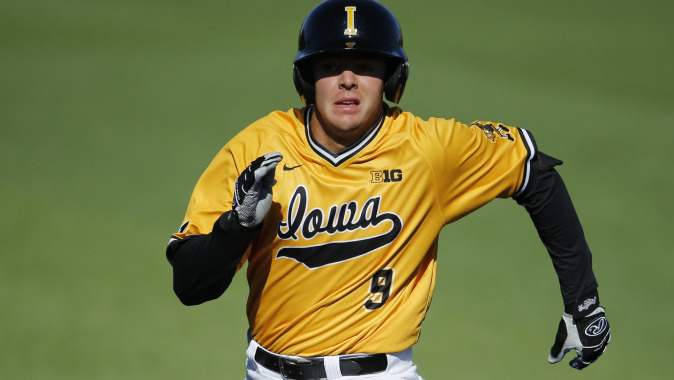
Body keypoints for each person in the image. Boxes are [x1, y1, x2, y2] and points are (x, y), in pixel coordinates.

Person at [166, 1, 611, 379]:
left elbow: (533, 171)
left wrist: (583, 301)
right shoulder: (258, 148)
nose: (347, 80)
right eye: (330, 66)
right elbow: (191, 286)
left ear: (392, 79)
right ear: (306, 79)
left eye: (365, 66)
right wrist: (237, 226)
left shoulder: (426, 150)